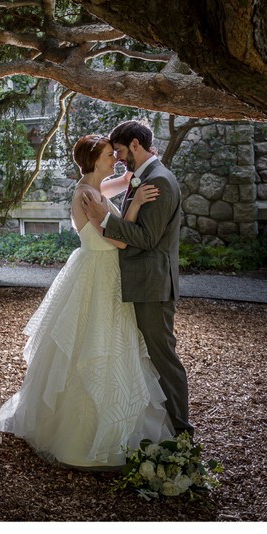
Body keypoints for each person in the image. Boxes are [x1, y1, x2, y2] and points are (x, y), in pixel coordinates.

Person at [0, 133, 173, 468]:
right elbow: (117, 241)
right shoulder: (89, 197)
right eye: (109, 155)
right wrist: (135, 204)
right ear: (94, 159)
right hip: (100, 272)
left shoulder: (91, 188)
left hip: (97, 270)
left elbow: (117, 184)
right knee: (93, 345)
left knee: (102, 342)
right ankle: (81, 437)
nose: (115, 159)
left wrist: (135, 174)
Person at [80, 120, 193, 437]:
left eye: (119, 150)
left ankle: (181, 432)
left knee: (164, 358)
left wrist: (103, 220)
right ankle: (160, 425)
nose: (118, 158)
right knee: (151, 357)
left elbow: (147, 237)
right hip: (143, 283)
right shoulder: (144, 177)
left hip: (153, 286)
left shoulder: (161, 182)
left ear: (134, 145)